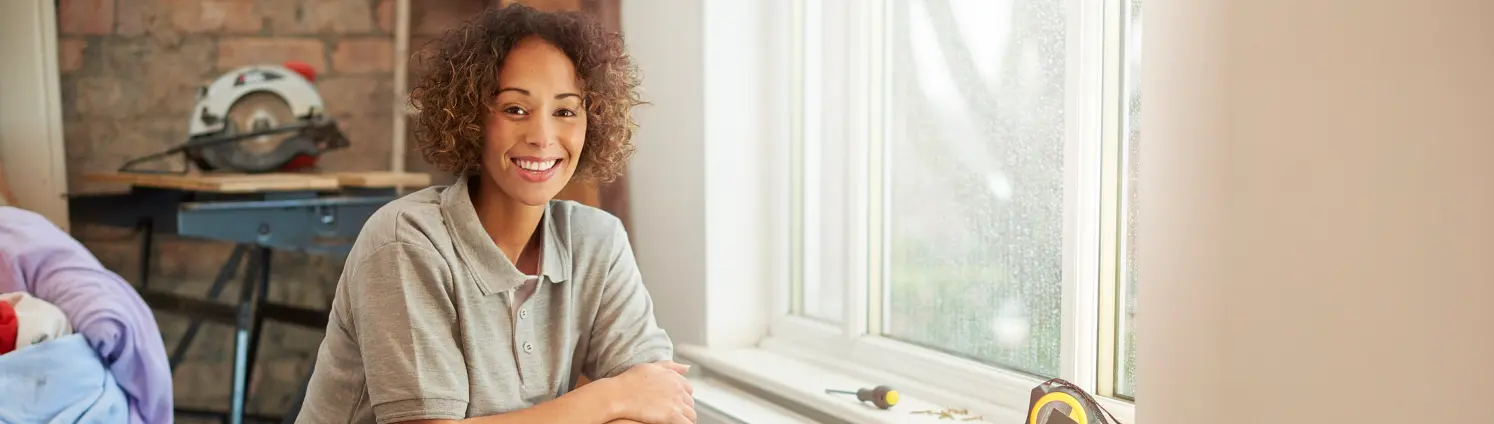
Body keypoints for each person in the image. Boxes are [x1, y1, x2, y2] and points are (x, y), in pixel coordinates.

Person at [295, 4, 694, 424]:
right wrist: (609, 399)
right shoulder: (406, 240)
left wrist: (629, 399)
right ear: (471, 118)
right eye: (515, 109)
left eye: (565, 111)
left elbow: (657, 404)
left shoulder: (599, 241)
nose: (542, 137)